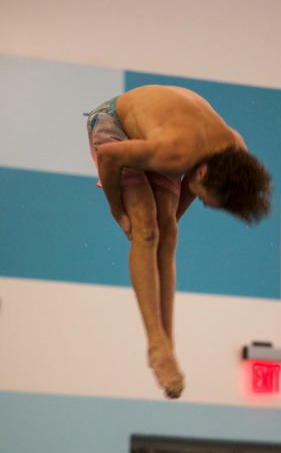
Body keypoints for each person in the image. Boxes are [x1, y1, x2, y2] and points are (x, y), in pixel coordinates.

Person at [86, 84, 271, 399]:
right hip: (114, 122)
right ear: (202, 172)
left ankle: (168, 342)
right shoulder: (175, 155)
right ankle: (156, 346)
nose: (208, 206)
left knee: (167, 232)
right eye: (210, 200)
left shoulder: (231, 151)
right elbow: (109, 157)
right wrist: (118, 213)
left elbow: (175, 219)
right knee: (146, 228)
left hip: (166, 133)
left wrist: (168, 229)